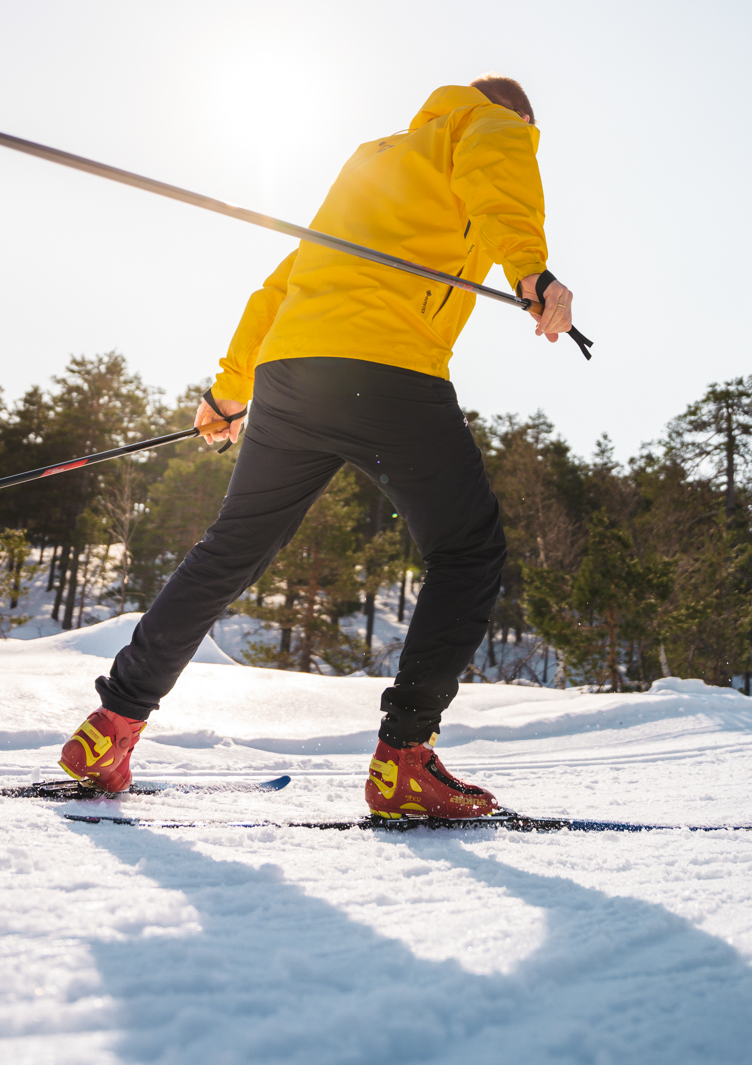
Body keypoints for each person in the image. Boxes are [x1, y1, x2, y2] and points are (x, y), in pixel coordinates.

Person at [58, 74, 576, 818]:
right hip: (387, 364)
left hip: (294, 372)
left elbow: (288, 277)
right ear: (517, 114)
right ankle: (404, 761)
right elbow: (503, 196)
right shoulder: (494, 127)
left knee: (229, 548)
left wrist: (230, 392)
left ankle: (110, 727)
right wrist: (534, 274)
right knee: (469, 550)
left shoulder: (376, 157)